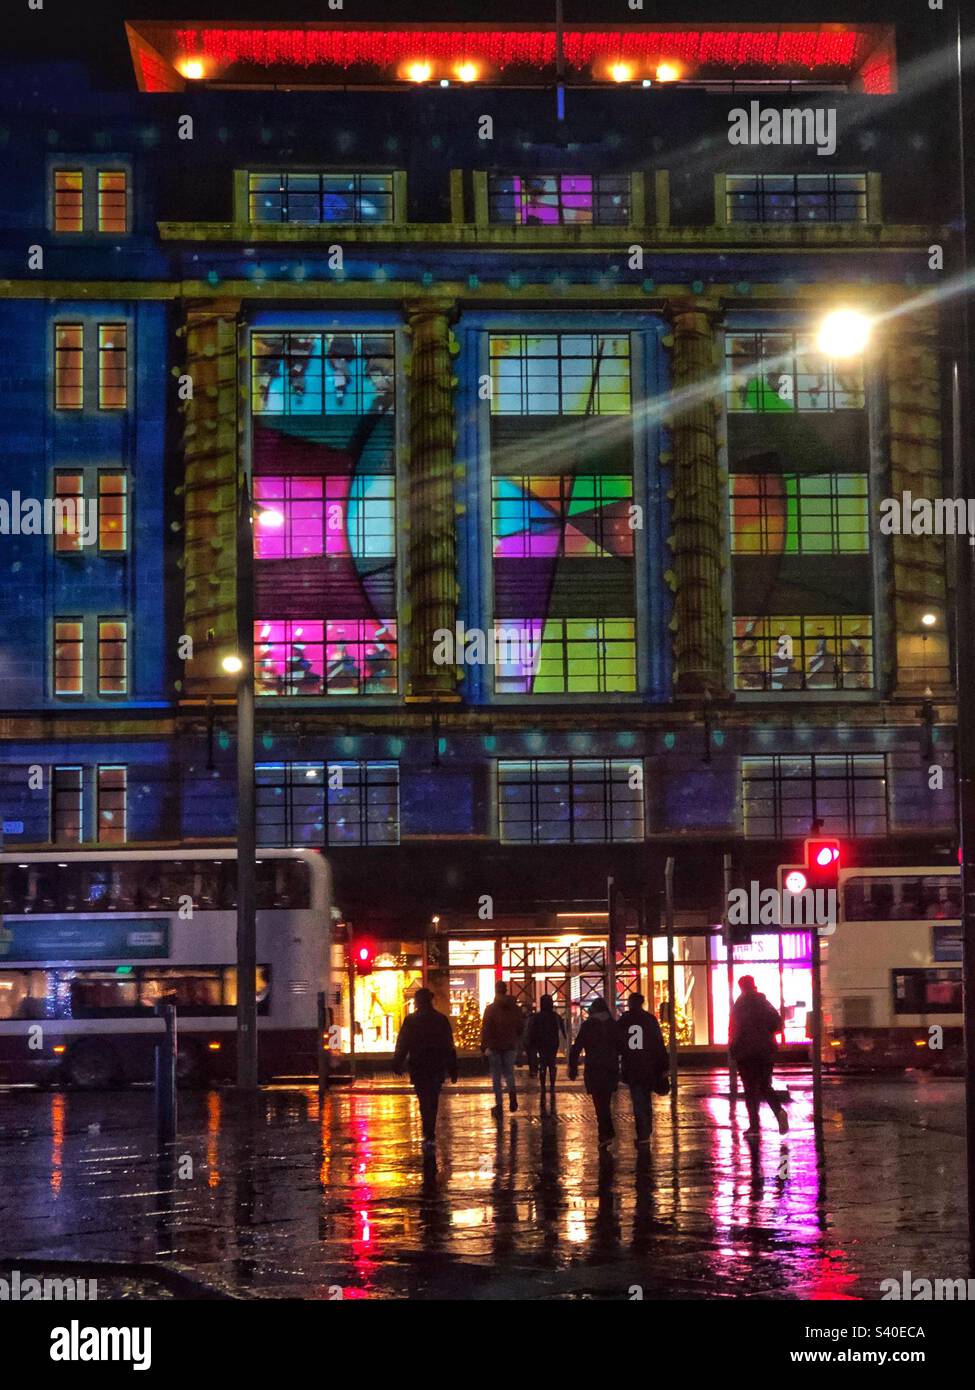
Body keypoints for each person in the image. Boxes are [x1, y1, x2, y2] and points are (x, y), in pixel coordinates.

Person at [392, 987, 458, 1149]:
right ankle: (430, 1132)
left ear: (417, 1001)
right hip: (436, 1065)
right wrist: (453, 1068)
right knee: (433, 1099)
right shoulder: (440, 1019)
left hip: (419, 1065)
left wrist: (397, 1062)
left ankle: (427, 1132)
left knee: (423, 1099)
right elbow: (448, 1045)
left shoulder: (411, 1020)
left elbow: (403, 1043)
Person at [729, 975, 789, 1138]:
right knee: (764, 1085)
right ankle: (779, 1111)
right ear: (753, 985)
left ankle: (754, 1126)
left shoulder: (739, 1005)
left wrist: (733, 1049)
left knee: (750, 1089)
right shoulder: (764, 1002)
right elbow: (778, 1024)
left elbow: (734, 1029)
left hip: (746, 1052)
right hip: (765, 1051)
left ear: (741, 987)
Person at [617, 993, 669, 1147]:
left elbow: (618, 1042)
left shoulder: (625, 1020)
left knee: (638, 1098)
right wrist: (663, 1066)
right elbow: (658, 1044)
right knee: (646, 1098)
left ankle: (643, 1132)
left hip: (632, 1065)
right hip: (648, 1065)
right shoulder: (650, 1020)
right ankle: (647, 1128)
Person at [568, 997, 620, 1149]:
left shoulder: (588, 1026)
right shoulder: (613, 1025)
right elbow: (621, 1045)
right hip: (610, 1068)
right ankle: (606, 1133)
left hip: (594, 1069)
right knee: (606, 1101)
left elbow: (576, 1047)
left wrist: (573, 1067)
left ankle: (605, 1134)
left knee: (600, 1104)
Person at [481, 980, 523, 1117]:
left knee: (496, 1076)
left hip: (494, 1046)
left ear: (496, 991)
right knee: (509, 1073)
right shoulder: (515, 1008)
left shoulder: (491, 1009)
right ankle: (512, 1095)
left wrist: (484, 1046)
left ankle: (499, 1105)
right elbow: (520, 1027)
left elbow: (486, 1028)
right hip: (510, 1045)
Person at [526, 994, 566, 1103]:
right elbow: (562, 1029)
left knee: (543, 1064)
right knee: (551, 1064)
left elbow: (532, 1031)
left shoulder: (537, 1017)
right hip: (552, 1043)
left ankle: (543, 1085)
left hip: (541, 1043)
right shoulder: (555, 1016)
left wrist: (531, 1043)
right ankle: (552, 1085)